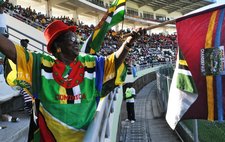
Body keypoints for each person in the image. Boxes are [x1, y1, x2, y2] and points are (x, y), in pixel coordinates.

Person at [0, 20, 145, 141]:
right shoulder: (39, 63)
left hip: (86, 137)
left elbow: (112, 63)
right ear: (58, 46)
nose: (77, 42)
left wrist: (129, 42)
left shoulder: (90, 63)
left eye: (77, 39)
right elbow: (13, 51)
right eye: (72, 39)